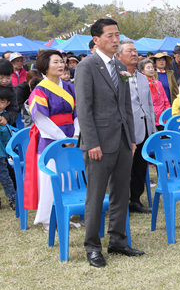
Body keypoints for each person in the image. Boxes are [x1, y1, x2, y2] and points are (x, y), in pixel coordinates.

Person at [75, 18, 143, 268]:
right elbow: (84, 107)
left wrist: (132, 138)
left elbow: (126, 106)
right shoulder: (87, 66)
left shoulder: (119, 64)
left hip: (123, 140)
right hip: (98, 143)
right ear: (96, 39)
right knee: (95, 196)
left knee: (121, 193)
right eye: (110, 35)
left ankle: (118, 241)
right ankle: (92, 246)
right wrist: (92, 142)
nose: (115, 39)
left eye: (117, 35)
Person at [23, 49, 80, 229]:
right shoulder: (39, 90)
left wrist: (76, 135)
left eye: (61, 61)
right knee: (52, 178)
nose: (60, 65)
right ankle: (48, 219)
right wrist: (63, 139)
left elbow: (78, 114)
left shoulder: (70, 87)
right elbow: (41, 119)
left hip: (72, 136)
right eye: (55, 62)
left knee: (69, 176)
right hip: (51, 139)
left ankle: (66, 214)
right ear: (45, 66)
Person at [117, 40, 156, 214]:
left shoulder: (142, 77)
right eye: (129, 51)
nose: (134, 54)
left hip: (145, 126)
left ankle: (135, 199)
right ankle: (121, 201)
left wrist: (152, 127)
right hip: (126, 129)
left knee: (140, 166)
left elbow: (148, 103)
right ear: (118, 56)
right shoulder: (116, 76)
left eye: (135, 51)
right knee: (125, 167)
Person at [139, 58, 171, 129]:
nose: (151, 69)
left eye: (152, 67)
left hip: (162, 118)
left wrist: (166, 113)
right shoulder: (141, 84)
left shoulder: (158, 83)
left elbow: (165, 100)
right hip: (151, 118)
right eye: (148, 68)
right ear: (142, 71)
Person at [0, 87, 17, 210]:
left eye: (2, 102)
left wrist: (4, 125)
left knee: (5, 178)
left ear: (7, 104)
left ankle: (13, 199)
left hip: (1, 156)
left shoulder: (3, 119)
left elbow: (7, 137)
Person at [0, 59, 20, 127]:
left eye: (8, 78)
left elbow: (13, 110)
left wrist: (5, 117)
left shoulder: (11, 90)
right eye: (1, 78)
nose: (4, 81)